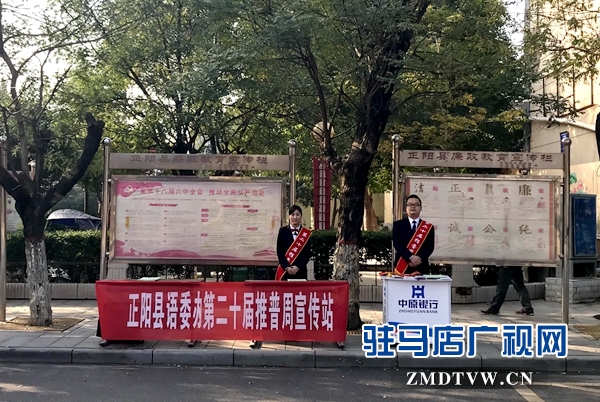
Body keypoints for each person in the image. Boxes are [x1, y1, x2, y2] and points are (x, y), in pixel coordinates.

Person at [250, 205, 312, 349]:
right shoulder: (282, 231)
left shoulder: (306, 234)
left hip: (300, 272)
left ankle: (297, 332)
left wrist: (297, 267)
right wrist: (287, 267)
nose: (295, 217)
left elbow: (307, 254)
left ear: (301, 216)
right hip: (285, 273)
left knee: (299, 303)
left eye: (297, 214)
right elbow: (280, 252)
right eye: (293, 214)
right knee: (285, 302)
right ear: (289, 216)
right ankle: (285, 331)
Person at [392, 194, 435, 275]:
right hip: (402, 265)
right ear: (406, 208)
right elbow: (397, 244)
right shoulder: (398, 225)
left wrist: (418, 260)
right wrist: (410, 257)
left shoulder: (428, 227)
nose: (413, 206)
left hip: (421, 266)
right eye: (410, 204)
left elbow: (430, 247)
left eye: (416, 204)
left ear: (421, 208)